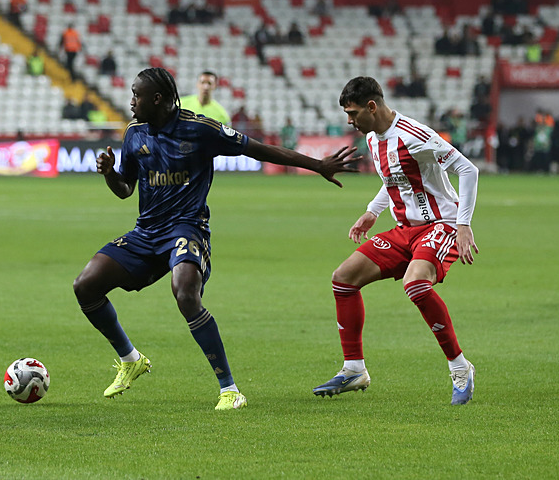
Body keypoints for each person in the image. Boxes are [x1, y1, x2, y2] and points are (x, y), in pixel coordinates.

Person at [73, 67, 359, 411]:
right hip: (146, 232)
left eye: (137, 95)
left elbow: (258, 149)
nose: (131, 102)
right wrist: (109, 174)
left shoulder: (200, 129)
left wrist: (318, 165)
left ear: (158, 99)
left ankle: (230, 389)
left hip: (186, 228)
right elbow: (125, 189)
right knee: (85, 285)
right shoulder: (134, 134)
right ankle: (131, 359)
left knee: (185, 294)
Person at [313, 76, 479, 406]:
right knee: (343, 279)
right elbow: (392, 178)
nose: (350, 121)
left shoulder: (415, 135)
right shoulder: (374, 138)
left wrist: (463, 225)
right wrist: (372, 212)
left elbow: (468, 169)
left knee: (415, 284)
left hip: (439, 225)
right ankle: (353, 369)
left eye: (353, 113)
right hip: (404, 230)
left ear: (372, 107)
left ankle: (460, 368)